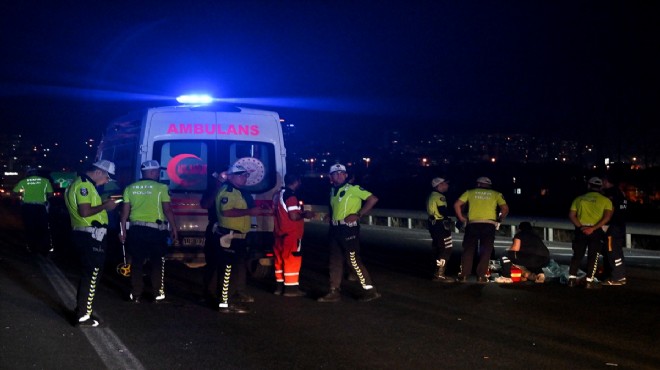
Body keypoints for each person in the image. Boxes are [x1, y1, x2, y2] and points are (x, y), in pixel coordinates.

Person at [64, 160, 119, 327]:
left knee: (89, 274)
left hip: (86, 235)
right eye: (107, 176)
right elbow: (85, 211)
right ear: (98, 172)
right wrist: (105, 206)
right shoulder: (84, 185)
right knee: (92, 274)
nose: (108, 180)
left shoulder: (81, 183)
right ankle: (83, 316)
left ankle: (82, 311)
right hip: (90, 236)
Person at [212, 163, 271, 314]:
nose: (244, 178)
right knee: (227, 270)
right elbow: (226, 212)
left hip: (238, 237)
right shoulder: (229, 191)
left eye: (246, 175)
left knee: (235, 268)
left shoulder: (239, 192)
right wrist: (250, 211)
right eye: (241, 175)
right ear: (231, 176)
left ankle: (231, 297)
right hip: (229, 236)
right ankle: (225, 303)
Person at [317, 164, 380, 302]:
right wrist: (331, 215)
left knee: (353, 260)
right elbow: (336, 207)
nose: (339, 175)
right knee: (335, 261)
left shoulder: (353, 189)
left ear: (346, 175)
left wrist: (359, 214)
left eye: (342, 173)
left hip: (349, 229)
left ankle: (370, 290)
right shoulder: (332, 191)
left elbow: (373, 199)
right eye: (336, 173)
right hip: (335, 229)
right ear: (331, 177)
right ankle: (334, 291)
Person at [119, 160, 178, 303]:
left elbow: (124, 213)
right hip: (155, 232)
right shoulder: (161, 187)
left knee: (137, 262)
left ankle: (136, 294)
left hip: (136, 230)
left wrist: (122, 231)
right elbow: (167, 209)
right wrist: (174, 228)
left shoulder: (130, 188)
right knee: (157, 263)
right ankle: (158, 294)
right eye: (158, 171)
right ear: (152, 172)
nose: (159, 173)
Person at [453, 177, 509, 283]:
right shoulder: (496, 194)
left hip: (473, 224)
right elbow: (505, 209)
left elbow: (457, 205)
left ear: (478, 184)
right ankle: (481, 276)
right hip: (489, 224)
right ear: (489, 185)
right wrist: (500, 219)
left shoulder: (470, 192)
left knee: (468, 249)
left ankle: (464, 275)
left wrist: (461, 218)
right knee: (486, 251)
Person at [272, 173, 315, 297]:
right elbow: (294, 216)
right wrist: (305, 214)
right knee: (292, 260)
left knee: (279, 261)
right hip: (291, 235)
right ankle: (291, 290)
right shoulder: (291, 197)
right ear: (297, 181)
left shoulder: (277, 195)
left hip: (279, 233)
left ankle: (279, 288)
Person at [567, 177, 613, 289]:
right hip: (596, 231)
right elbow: (607, 217)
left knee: (577, 255)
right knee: (593, 257)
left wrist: (581, 227)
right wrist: (594, 228)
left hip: (581, 231)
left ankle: (572, 280)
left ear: (589, 185)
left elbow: (571, 215)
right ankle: (589, 282)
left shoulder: (579, 199)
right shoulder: (606, 201)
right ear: (600, 187)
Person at [200, 170, 227, 304]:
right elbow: (205, 204)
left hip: (229, 231)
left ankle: (225, 294)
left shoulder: (236, 190)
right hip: (215, 229)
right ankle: (208, 293)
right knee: (212, 263)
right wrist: (217, 185)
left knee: (226, 265)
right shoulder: (214, 189)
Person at [12, 167, 54, 255]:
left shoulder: (23, 181)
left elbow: (14, 192)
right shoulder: (45, 181)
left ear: (28, 173)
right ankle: (45, 247)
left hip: (27, 207)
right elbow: (50, 194)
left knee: (30, 227)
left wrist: (23, 194)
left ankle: (32, 248)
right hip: (41, 207)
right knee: (43, 227)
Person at [601, 174, 628, 286]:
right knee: (618, 251)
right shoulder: (621, 193)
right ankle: (619, 275)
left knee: (612, 251)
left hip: (613, 227)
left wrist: (603, 223)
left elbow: (609, 211)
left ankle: (617, 277)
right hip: (621, 226)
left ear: (606, 181)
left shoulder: (610, 194)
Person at [426, 177, 454, 282]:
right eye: (445, 184)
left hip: (433, 224)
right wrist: (450, 218)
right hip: (440, 225)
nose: (447, 186)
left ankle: (435, 271)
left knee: (437, 248)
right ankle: (440, 274)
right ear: (439, 185)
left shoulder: (431, 195)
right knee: (445, 248)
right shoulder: (439, 196)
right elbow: (442, 210)